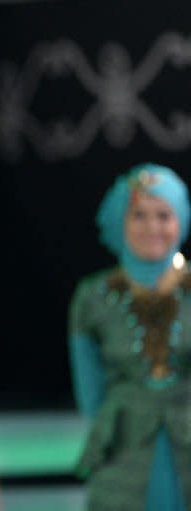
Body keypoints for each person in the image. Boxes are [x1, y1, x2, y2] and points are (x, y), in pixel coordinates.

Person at [70, 164, 191, 511]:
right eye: (138, 215)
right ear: (120, 221)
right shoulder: (92, 297)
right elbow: (89, 392)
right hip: (123, 447)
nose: (152, 227)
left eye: (164, 215)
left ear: (180, 220)